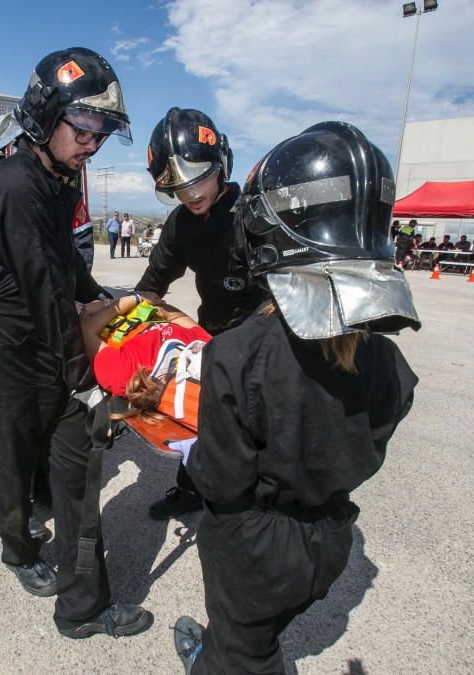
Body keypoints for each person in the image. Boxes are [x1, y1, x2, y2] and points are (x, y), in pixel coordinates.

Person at [172, 121, 419, 674]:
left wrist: (184, 445)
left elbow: (220, 481)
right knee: (263, 629)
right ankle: (224, 650)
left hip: (253, 550)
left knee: (245, 652)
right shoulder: (388, 361)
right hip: (330, 537)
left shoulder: (237, 355)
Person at [0, 46, 152, 639]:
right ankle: (18, 549)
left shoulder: (55, 180)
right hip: (2, 352)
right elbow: (44, 290)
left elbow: (64, 264)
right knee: (11, 464)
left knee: (64, 464)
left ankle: (77, 588)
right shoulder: (17, 186)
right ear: (45, 116)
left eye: (101, 132)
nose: (92, 143)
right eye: (84, 127)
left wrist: (104, 300)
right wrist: (86, 376)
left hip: (44, 340)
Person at [134, 107, 268, 520]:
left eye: (199, 178)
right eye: (177, 186)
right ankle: (191, 489)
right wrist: (124, 332)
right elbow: (151, 286)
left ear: (220, 164)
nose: (191, 193)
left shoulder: (256, 215)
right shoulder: (180, 223)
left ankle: (261, 501)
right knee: (199, 411)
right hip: (214, 332)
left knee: (262, 423)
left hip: (268, 332)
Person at [79, 293, 210, 405]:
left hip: (88, 318)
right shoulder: (205, 345)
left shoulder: (129, 376)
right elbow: (173, 315)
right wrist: (114, 303)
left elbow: (86, 331)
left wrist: (129, 300)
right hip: (121, 308)